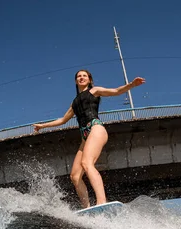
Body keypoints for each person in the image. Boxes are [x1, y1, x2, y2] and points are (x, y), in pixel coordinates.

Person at [33, 70, 146, 209]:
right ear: (76, 81)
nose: (81, 78)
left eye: (84, 76)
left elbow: (116, 91)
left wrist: (131, 85)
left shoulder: (95, 91)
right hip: (84, 137)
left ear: (89, 79)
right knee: (75, 176)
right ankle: (87, 208)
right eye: (79, 76)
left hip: (95, 128)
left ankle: (101, 202)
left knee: (87, 163)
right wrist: (42, 126)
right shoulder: (74, 103)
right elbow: (62, 120)